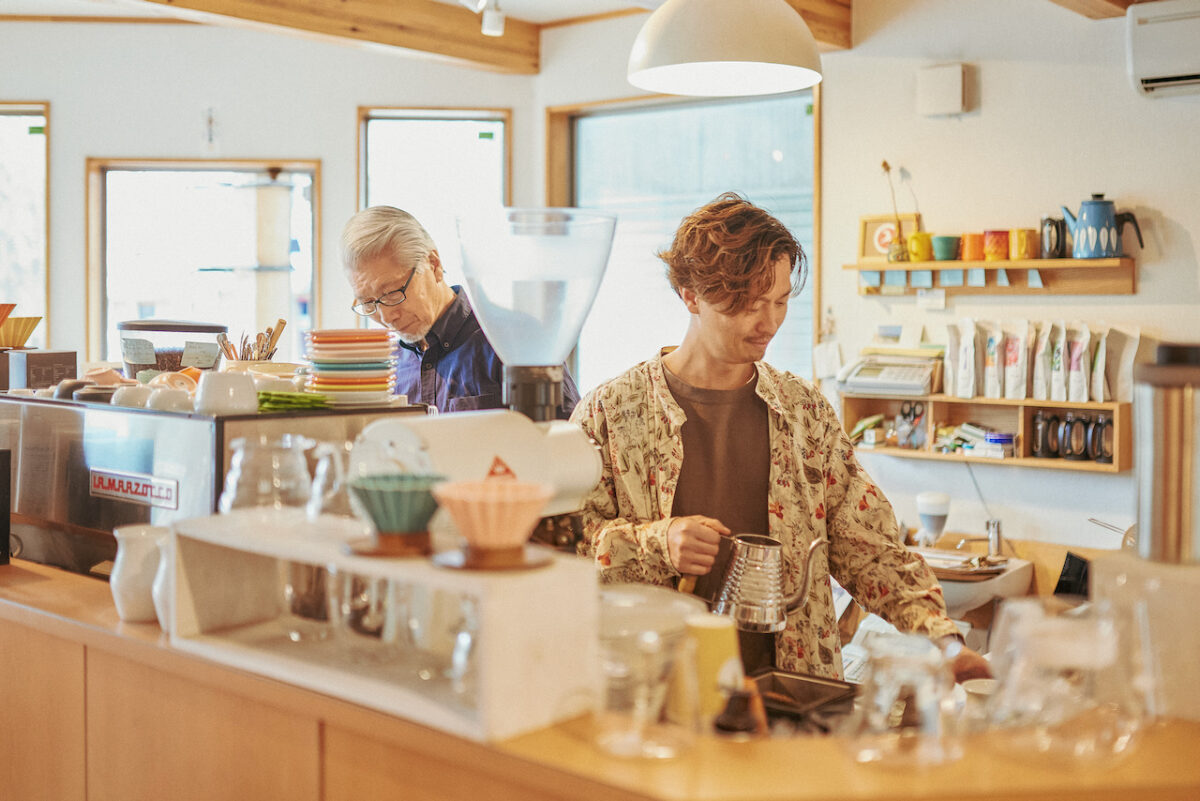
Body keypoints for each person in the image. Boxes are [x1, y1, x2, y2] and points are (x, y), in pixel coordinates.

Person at [569, 193, 990, 683]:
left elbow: (868, 546)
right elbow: (565, 554)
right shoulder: (611, 413)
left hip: (793, 690)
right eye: (747, 304)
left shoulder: (803, 411)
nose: (767, 323)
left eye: (781, 301)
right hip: (658, 692)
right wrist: (656, 543)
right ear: (691, 295)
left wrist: (943, 640)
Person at [341, 206, 580, 417]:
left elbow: (566, 446)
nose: (386, 317)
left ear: (433, 265)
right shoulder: (385, 369)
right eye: (369, 303)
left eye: (393, 293)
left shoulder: (516, 341)